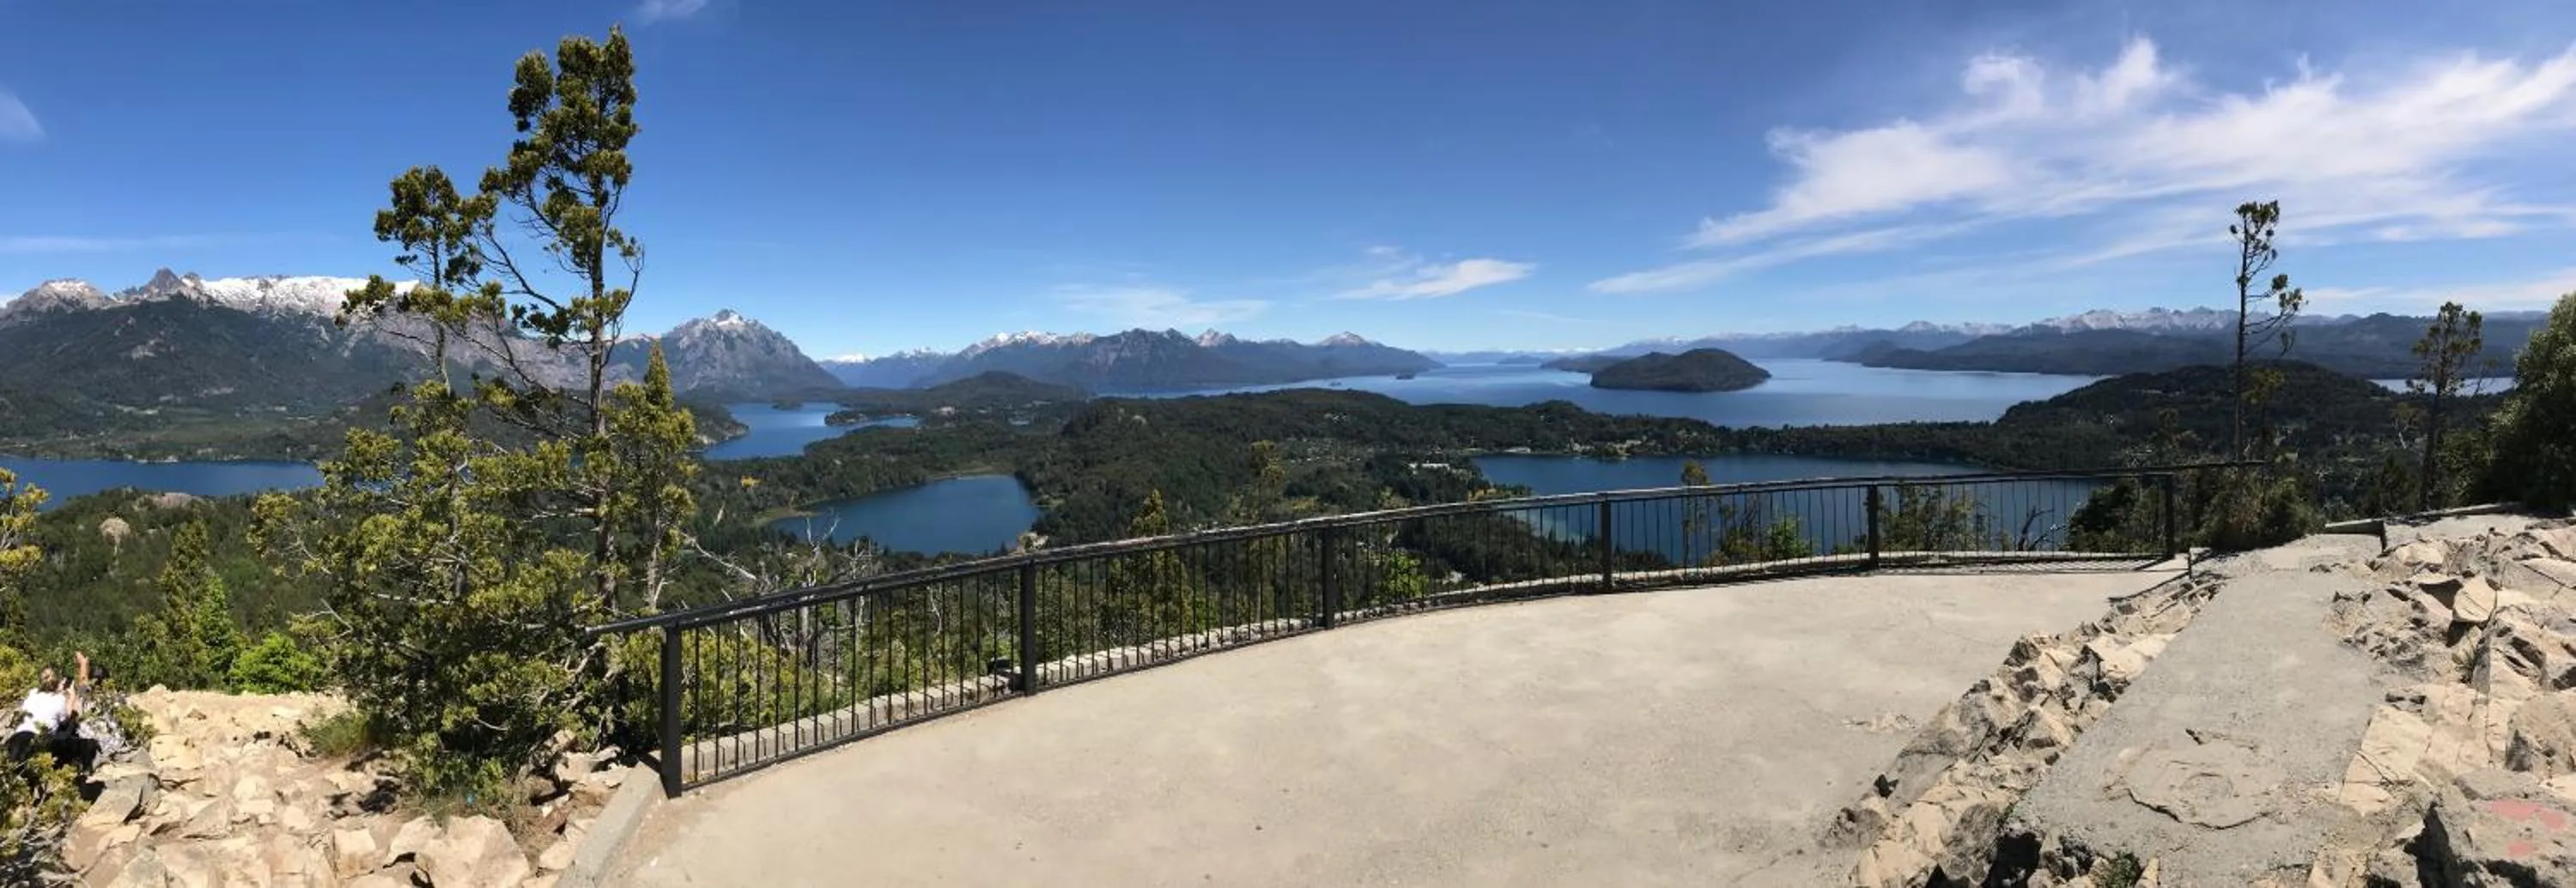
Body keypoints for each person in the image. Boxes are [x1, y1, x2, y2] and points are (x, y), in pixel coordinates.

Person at [6, 654, 84, 764]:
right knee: (67, 731)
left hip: (16, 739)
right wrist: (71, 697)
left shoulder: (32, 692)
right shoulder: (59, 700)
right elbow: (66, 721)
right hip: (36, 743)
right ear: (59, 681)